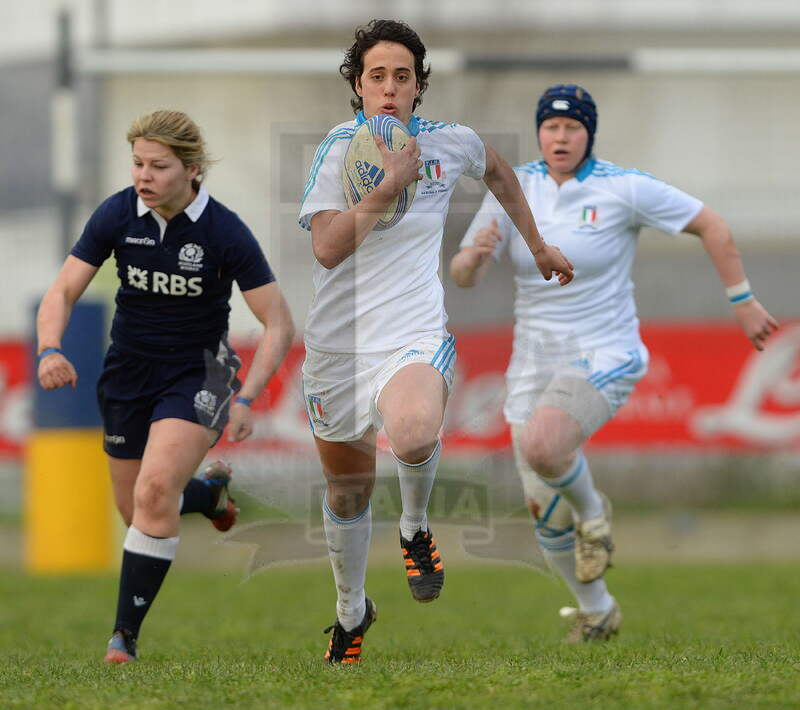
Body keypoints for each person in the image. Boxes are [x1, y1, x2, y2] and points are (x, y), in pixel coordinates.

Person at [451, 84, 779, 642]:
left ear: (588, 134)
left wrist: (742, 301)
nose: (560, 137)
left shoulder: (623, 188)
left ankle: (594, 513)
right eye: (550, 127)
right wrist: (473, 257)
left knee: (544, 446)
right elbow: (462, 275)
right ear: (539, 133)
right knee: (544, 511)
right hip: (532, 365)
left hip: (605, 353)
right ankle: (598, 612)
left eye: (572, 127)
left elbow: (712, 225)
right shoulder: (516, 186)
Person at [298, 20, 574, 664]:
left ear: (419, 86)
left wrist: (535, 245)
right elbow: (328, 247)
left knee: (416, 432)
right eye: (376, 77)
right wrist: (390, 183)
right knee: (346, 493)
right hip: (339, 349)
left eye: (402, 77)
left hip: (413, 334)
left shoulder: (454, 144)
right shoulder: (339, 151)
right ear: (358, 88)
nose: (390, 89)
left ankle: (415, 528)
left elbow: (502, 173)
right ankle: (350, 613)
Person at [36, 109, 295, 663]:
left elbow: (279, 322)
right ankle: (209, 495)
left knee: (154, 495)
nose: (143, 176)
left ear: (192, 170)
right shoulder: (117, 214)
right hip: (128, 373)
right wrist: (50, 347)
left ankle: (122, 639)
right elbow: (60, 293)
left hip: (198, 373)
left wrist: (247, 398)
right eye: (137, 163)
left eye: (158, 166)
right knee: (137, 512)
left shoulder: (223, 231)